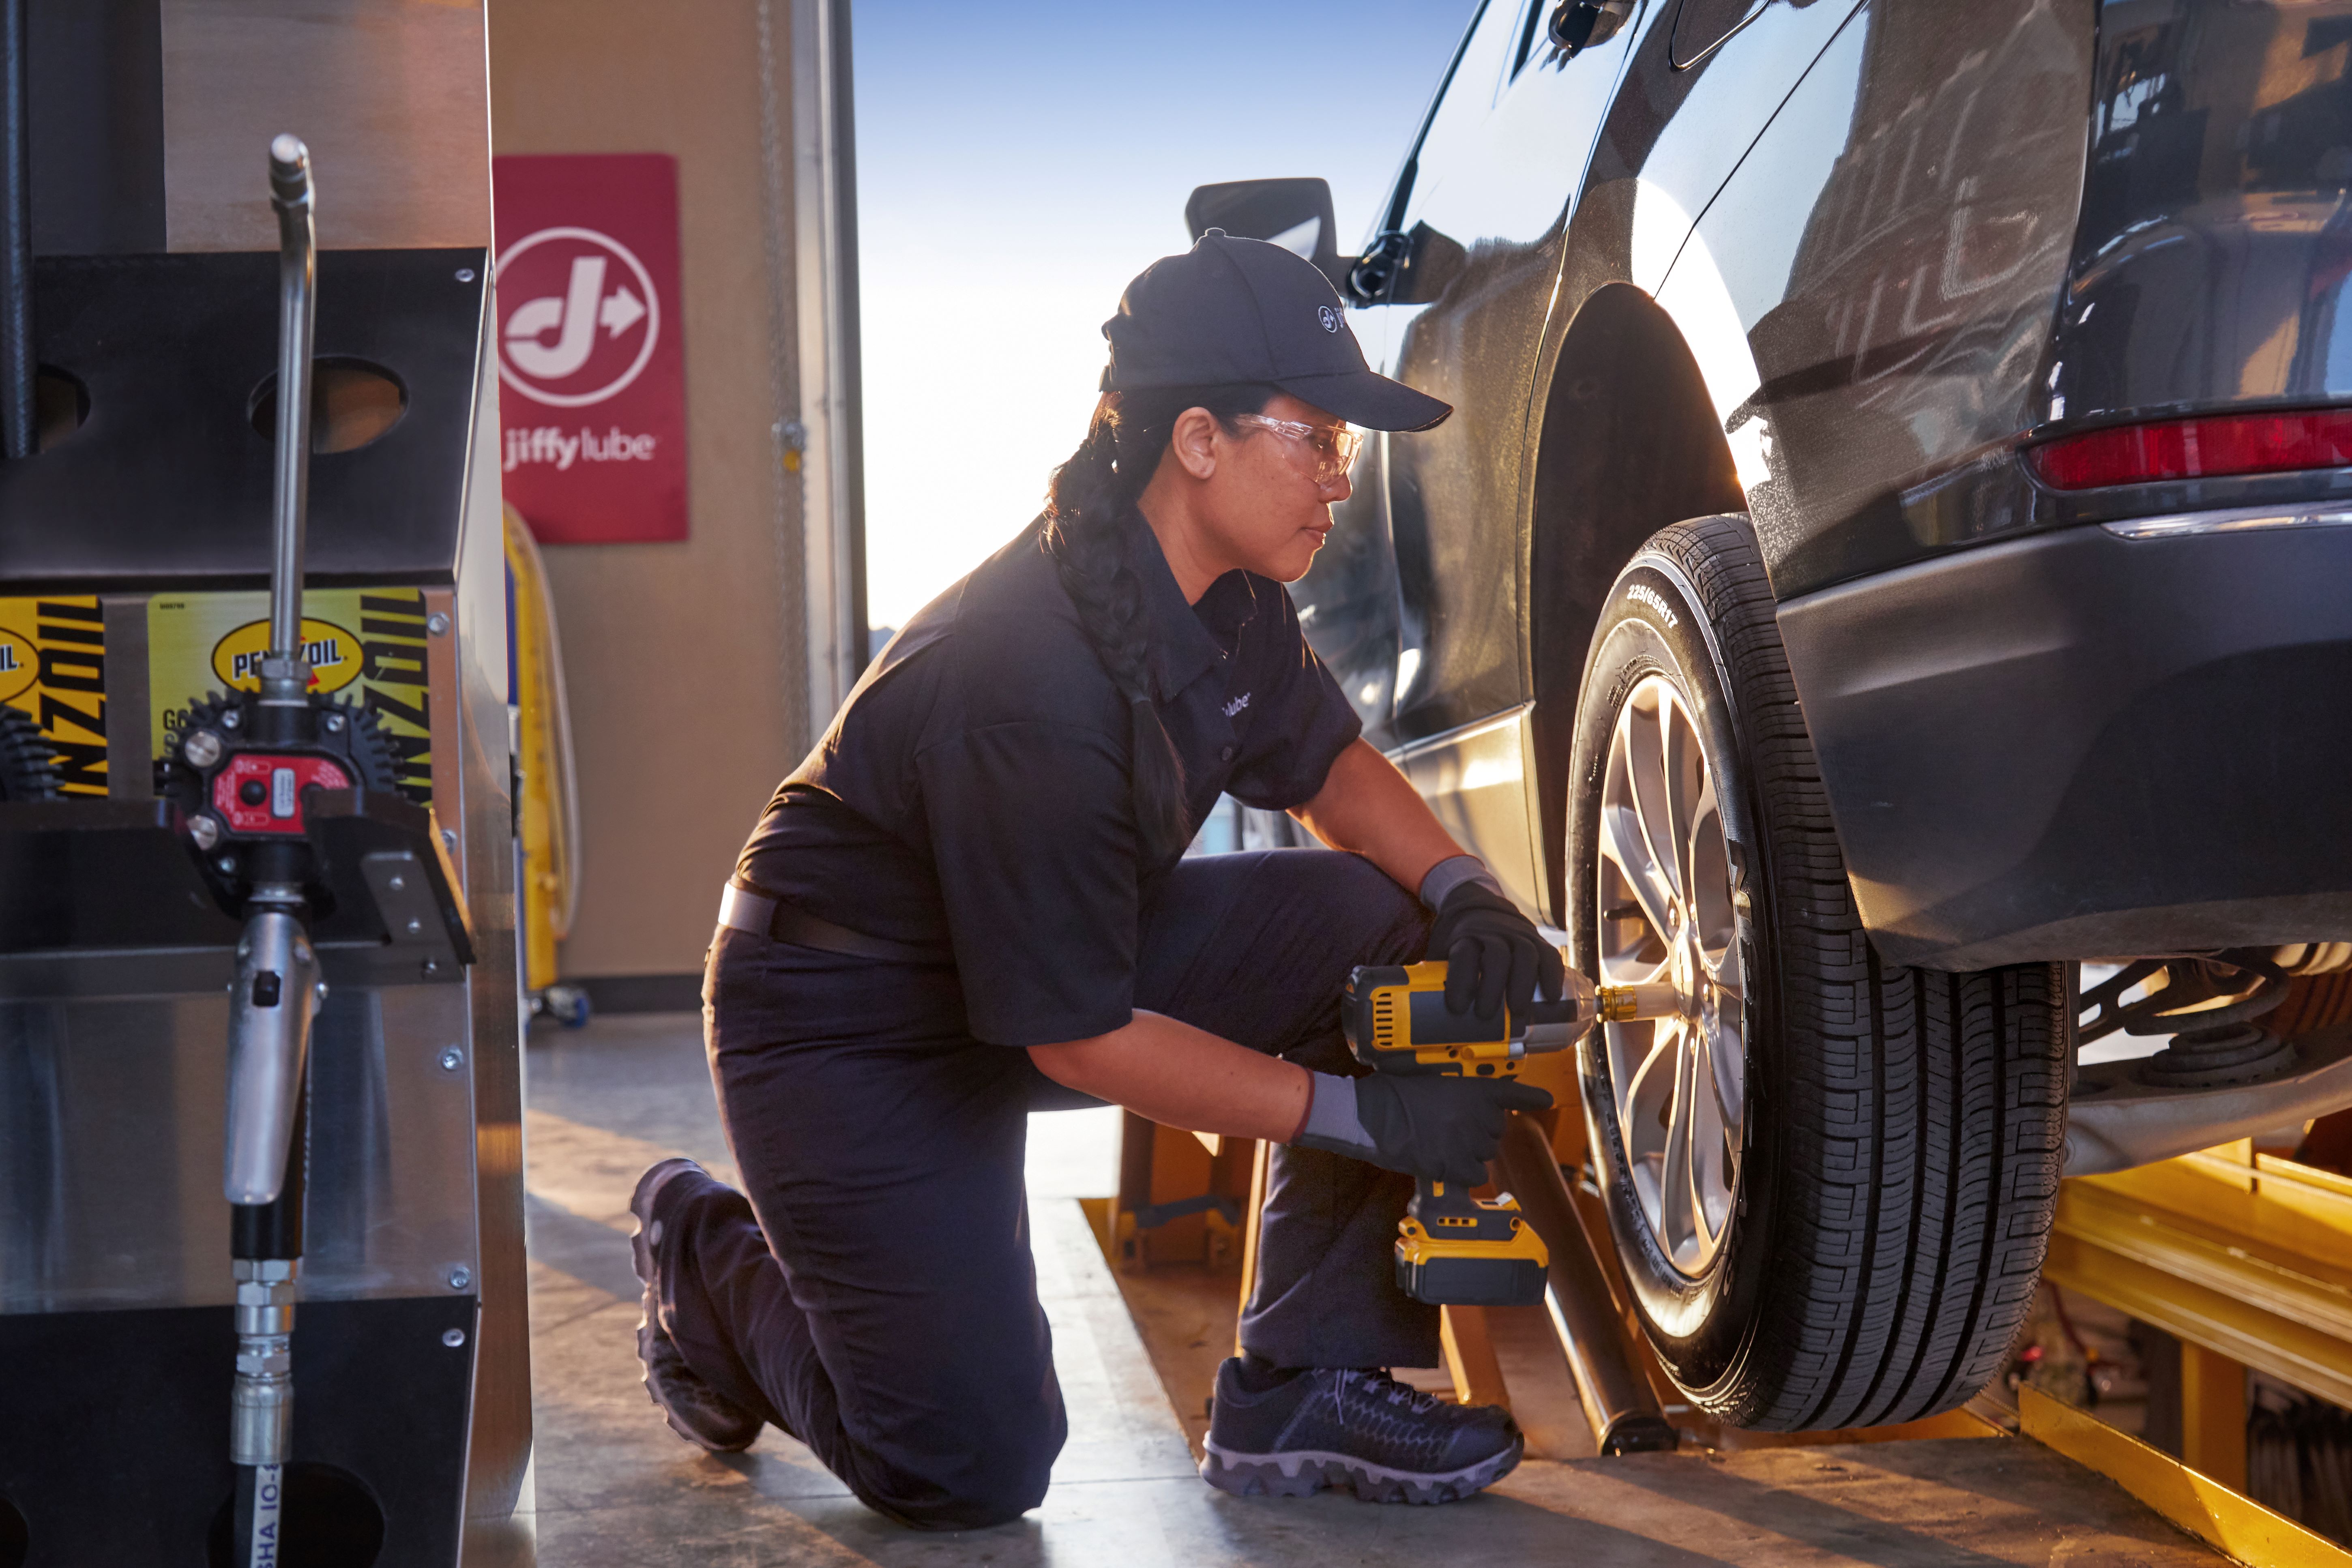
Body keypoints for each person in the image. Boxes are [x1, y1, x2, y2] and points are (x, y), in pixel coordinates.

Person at [628, 232, 1564, 1529]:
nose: (1341, 479)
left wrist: (1466, 886)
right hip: (843, 1027)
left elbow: (1327, 763)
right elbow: (1080, 1039)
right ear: (1197, 440)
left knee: (1382, 925)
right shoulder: (1029, 679)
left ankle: (1297, 1381)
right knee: (968, 1467)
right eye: (1318, 438)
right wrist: (1368, 1121)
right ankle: (702, 1257)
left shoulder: (1231, 594)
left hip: (1038, 964)